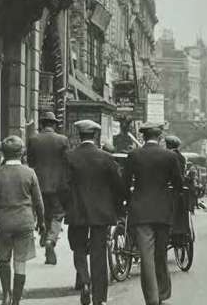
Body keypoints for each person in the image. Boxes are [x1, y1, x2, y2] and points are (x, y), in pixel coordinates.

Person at [65, 119, 127, 305]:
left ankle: (84, 281)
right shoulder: (106, 158)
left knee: (79, 248)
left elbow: (63, 186)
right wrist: (117, 209)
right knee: (99, 253)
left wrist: (67, 206)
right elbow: (118, 187)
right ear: (95, 136)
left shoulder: (69, 157)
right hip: (101, 213)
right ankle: (99, 297)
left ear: (79, 135)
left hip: (77, 211)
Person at [124, 123, 183, 305]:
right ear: (159, 137)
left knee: (146, 257)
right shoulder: (170, 156)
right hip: (163, 211)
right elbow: (178, 184)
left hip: (141, 211)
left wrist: (130, 200)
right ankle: (163, 292)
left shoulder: (134, 155)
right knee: (161, 253)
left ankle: (152, 298)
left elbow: (124, 183)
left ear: (143, 137)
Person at [0, 135, 44, 305]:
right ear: (22, 153)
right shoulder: (30, 173)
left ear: (4, 153)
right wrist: (41, 222)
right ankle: (16, 301)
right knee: (20, 262)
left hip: (4, 222)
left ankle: (6, 295)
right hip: (25, 222)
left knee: (4, 259)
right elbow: (38, 201)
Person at [27, 110, 70, 265]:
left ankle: (45, 236)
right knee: (58, 214)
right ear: (53, 124)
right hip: (57, 186)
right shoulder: (63, 140)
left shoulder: (33, 139)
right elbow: (66, 163)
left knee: (43, 214)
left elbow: (30, 163)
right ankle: (51, 240)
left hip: (38, 184)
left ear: (43, 124)